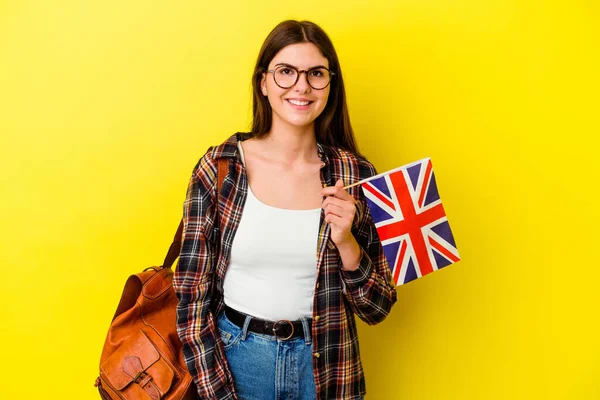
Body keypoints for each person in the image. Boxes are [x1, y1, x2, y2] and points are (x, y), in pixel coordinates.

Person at [174, 20, 397, 400]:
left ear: (331, 84)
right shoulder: (220, 167)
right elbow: (191, 297)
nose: (302, 86)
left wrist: (346, 243)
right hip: (237, 362)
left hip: (327, 369)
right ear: (264, 82)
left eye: (316, 74)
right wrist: (219, 393)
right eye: (286, 72)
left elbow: (376, 307)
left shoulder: (355, 175)